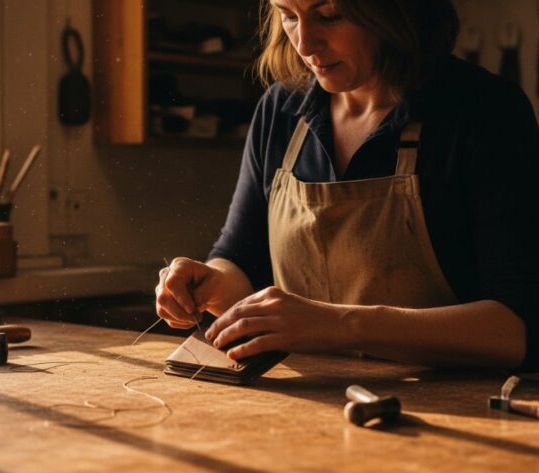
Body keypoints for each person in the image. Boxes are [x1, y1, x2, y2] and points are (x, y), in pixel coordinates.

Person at [155, 0, 539, 370]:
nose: (305, 44)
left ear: (394, 11)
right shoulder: (281, 109)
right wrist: (213, 282)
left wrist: (341, 325)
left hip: (449, 408)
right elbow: (242, 257)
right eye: (288, 16)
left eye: (329, 15)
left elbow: (517, 328)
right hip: (309, 404)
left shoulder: (485, 111)